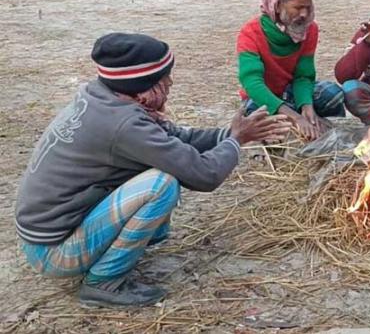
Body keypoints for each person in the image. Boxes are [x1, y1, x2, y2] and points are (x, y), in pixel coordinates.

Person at [15, 33, 292, 307]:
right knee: (161, 184)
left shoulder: (105, 96)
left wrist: (229, 134)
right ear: (142, 86)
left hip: (46, 237)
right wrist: (236, 140)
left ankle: (108, 258)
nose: (170, 82)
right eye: (163, 78)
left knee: (159, 165)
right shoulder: (124, 124)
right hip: (52, 252)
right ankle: (103, 284)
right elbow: (205, 175)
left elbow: (176, 140)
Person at [238, 0, 345, 141]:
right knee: (258, 117)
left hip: (291, 93)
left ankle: (314, 123)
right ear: (278, 5)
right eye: (298, 7)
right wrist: (295, 117)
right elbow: (252, 83)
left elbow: (303, 75)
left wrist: (306, 107)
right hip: (263, 96)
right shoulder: (250, 33)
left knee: (334, 94)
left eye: (308, 8)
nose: (304, 14)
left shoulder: (310, 30)